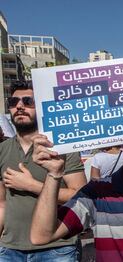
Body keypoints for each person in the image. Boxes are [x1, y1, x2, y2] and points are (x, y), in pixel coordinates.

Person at [0, 80, 86, 261]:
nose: (20, 106)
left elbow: (79, 196)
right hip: (9, 249)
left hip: (57, 248)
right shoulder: (2, 150)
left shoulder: (63, 146)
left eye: (28, 101)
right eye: (13, 102)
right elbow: (1, 204)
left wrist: (31, 185)